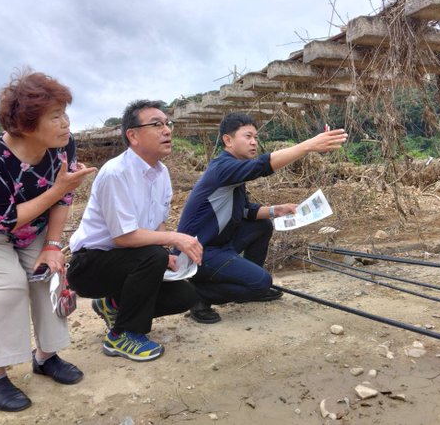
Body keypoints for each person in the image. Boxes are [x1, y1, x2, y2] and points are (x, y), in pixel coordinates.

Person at [0, 69, 97, 412]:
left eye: (65, 113)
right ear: (27, 124)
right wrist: (60, 188)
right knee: (8, 286)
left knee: (47, 277)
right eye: (56, 116)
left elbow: (65, 199)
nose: (66, 123)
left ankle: (46, 356)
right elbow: (4, 218)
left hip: (32, 227)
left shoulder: (63, 145)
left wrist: (52, 246)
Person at [177, 112, 347, 324]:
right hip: (199, 251)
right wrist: (308, 146)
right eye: (247, 136)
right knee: (261, 282)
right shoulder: (222, 167)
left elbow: (246, 210)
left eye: (255, 137)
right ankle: (199, 295)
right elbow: (261, 166)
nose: (253, 142)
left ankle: (247, 285)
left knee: (262, 225)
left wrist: (278, 209)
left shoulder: (232, 170)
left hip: (219, 244)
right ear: (228, 140)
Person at [67, 100, 203, 362]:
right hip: (90, 266)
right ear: (133, 135)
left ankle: (112, 305)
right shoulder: (115, 173)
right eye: (156, 124)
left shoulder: (161, 173)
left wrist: (167, 253)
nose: (167, 130)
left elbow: (157, 224)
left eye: (167, 123)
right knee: (153, 256)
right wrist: (173, 240)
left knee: (185, 295)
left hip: (129, 262)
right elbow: (124, 237)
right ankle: (121, 336)